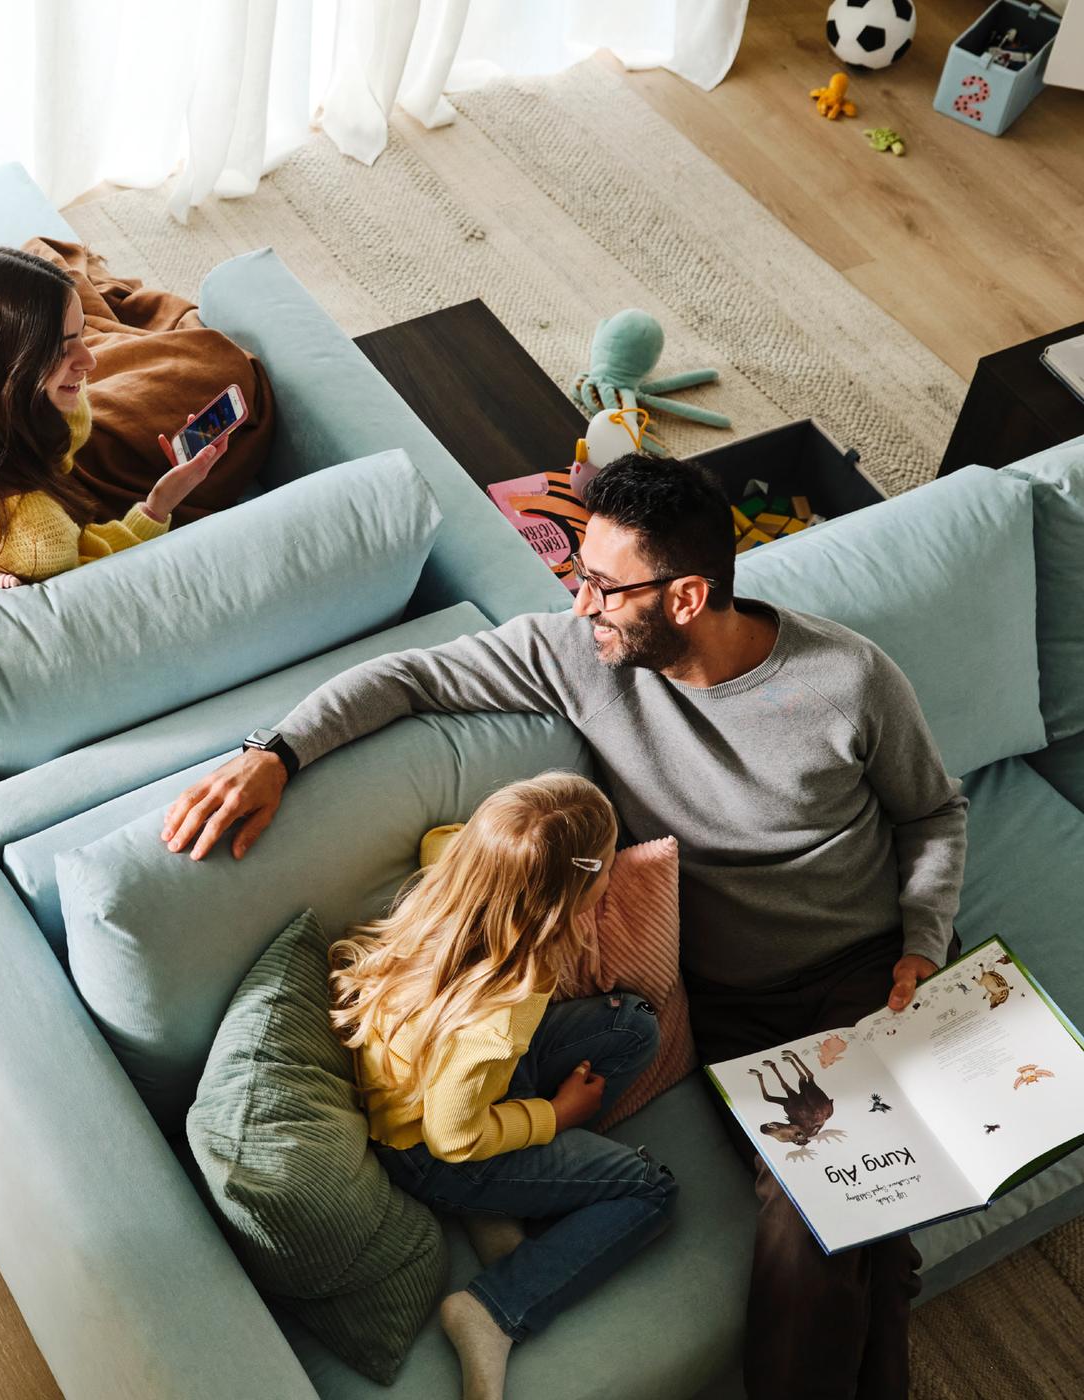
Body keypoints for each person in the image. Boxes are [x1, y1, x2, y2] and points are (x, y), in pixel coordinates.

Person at [161, 451, 969, 1399]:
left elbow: (933, 814)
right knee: (835, 1212)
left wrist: (923, 946)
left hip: (867, 977)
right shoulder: (582, 657)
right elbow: (412, 678)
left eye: (601, 585)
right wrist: (276, 753)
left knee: (851, 1216)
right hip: (737, 1008)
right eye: (576, 578)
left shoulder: (849, 680)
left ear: (687, 596)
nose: (580, 604)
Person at [331, 771, 676, 1400]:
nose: (612, 875)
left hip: (460, 1087)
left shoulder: (457, 877)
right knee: (649, 1193)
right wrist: (555, 1116)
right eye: (606, 867)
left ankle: (507, 1203)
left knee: (632, 1026)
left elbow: (446, 839)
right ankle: (492, 1311)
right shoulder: (497, 1013)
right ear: (568, 897)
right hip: (435, 1153)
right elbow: (453, 1136)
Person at [0, 245, 221, 581]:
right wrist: (157, 507)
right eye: (60, 348)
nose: (90, 360)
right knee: (215, 365)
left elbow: (66, 441)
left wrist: (59, 380)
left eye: (81, 335)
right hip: (41, 507)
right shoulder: (37, 539)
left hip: (30, 446)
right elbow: (96, 573)